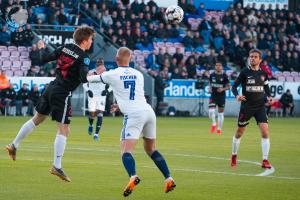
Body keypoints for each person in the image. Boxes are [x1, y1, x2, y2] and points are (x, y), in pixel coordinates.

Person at [5, 26, 96, 182]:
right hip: (62, 93)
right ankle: (57, 166)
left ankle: (14, 145)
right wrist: (94, 75)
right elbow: (83, 78)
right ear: (85, 40)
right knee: (64, 129)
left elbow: (43, 59)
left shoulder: (65, 47)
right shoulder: (83, 57)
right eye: (91, 39)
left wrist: (41, 48)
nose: (91, 42)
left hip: (51, 88)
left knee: (37, 119)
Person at [87, 47, 176, 197]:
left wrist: (94, 72)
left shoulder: (112, 74)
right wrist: (119, 105)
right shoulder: (139, 74)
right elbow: (133, 96)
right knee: (151, 149)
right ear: (130, 59)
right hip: (148, 112)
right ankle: (169, 178)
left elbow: (89, 79)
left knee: (125, 151)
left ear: (116, 59)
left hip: (134, 115)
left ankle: (133, 176)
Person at [231, 49, 272, 169]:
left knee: (265, 132)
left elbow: (266, 87)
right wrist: (237, 95)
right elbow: (234, 86)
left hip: (260, 107)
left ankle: (265, 160)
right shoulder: (244, 72)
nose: (252, 58)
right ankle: (234, 155)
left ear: (260, 60)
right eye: (251, 56)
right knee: (239, 133)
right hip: (246, 107)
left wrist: (269, 96)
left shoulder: (264, 73)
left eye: (255, 57)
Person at [83, 59, 111, 141]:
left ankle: (96, 134)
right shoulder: (91, 72)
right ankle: (91, 125)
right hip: (92, 96)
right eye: (99, 63)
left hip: (101, 97)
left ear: (103, 64)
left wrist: (107, 91)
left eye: (101, 63)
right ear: (96, 64)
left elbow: (112, 85)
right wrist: (88, 90)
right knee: (92, 114)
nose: (100, 64)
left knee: (100, 113)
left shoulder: (106, 74)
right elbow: (84, 83)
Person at [208, 61, 230, 134]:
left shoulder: (224, 76)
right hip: (213, 95)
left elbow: (228, 86)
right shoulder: (212, 75)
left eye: (219, 65)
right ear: (215, 67)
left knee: (220, 113)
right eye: (216, 65)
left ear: (222, 67)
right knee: (211, 111)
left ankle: (219, 129)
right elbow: (210, 83)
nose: (218, 67)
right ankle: (214, 123)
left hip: (221, 96)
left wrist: (223, 89)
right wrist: (209, 89)